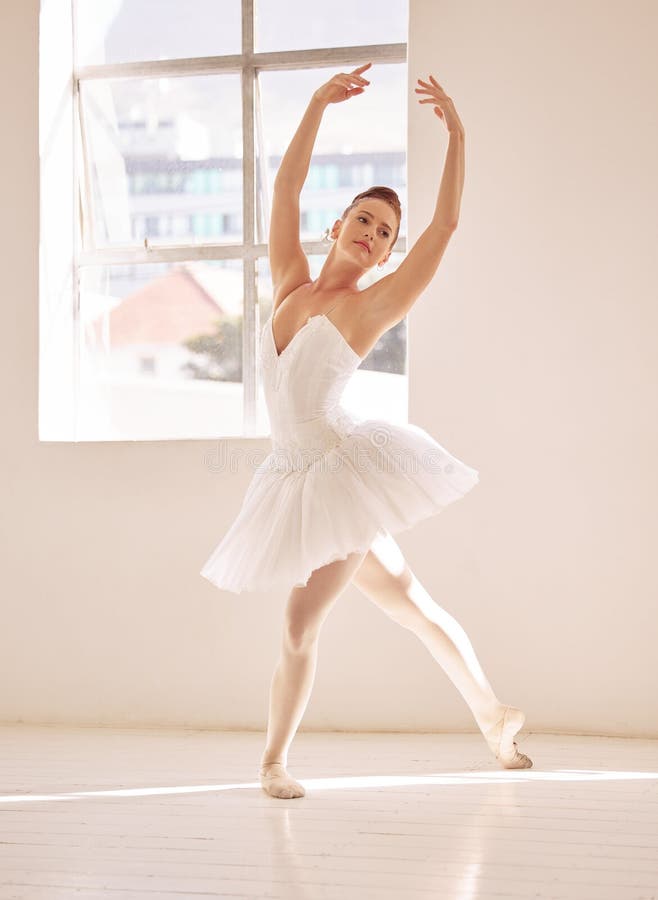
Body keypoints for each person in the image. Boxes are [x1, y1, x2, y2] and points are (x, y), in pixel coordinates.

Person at [201, 63, 532, 799]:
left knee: (297, 621)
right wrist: (318, 102)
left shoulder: (370, 307)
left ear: (385, 255)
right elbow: (283, 191)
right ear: (339, 225)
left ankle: (273, 763)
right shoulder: (291, 282)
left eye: (384, 234)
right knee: (410, 603)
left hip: (341, 476)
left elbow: (443, 228)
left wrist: (460, 138)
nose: (373, 235)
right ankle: (493, 715)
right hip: (295, 478)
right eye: (364, 220)